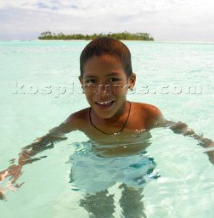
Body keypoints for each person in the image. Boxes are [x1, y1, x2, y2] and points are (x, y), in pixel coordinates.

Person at [0, 37, 214, 198]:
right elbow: (47, 140)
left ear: (131, 80)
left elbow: (177, 127)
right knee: (96, 209)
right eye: (91, 81)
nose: (102, 92)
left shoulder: (148, 115)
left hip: (135, 163)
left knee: (133, 204)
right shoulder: (79, 120)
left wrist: (206, 144)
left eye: (113, 79)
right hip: (96, 163)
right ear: (81, 82)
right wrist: (18, 163)